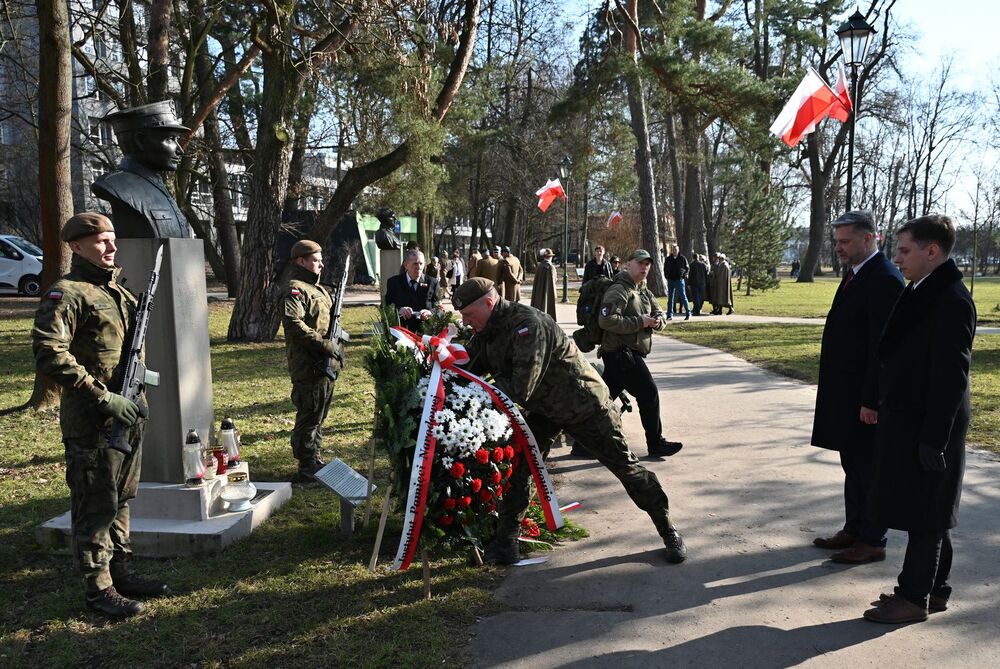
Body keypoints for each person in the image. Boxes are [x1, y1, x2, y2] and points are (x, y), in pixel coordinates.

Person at [452, 278, 687, 565]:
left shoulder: (528, 325)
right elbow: (469, 365)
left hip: (584, 406)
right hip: (545, 410)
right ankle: (506, 543)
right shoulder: (487, 329)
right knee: (520, 468)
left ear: (488, 303)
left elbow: (519, 387)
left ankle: (668, 529)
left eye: (468, 315)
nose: (466, 321)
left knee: (626, 469)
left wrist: (480, 390)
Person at [32, 212, 169, 619]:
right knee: (95, 506)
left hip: (127, 415)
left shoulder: (118, 293)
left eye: (112, 240)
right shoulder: (68, 293)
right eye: (100, 241)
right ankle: (98, 590)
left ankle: (120, 573)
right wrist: (101, 396)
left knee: (122, 500)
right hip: (92, 421)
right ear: (75, 246)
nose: (111, 247)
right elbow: (49, 352)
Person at [862, 215, 976, 624]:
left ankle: (913, 598)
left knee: (926, 514)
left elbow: (951, 377)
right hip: (912, 419)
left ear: (932, 251)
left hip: (931, 424)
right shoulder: (923, 290)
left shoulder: (950, 300)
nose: (897, 257)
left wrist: (934, 437)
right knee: (931, 509)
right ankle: (935, 589)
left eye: (905, 250)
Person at [811, 210, 904, 564]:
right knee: (853, 463)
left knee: (868, 468)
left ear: (870, 239)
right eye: (837, 241)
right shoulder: (856, 273)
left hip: (864, 398)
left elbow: (882, 349)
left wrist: (872, 400)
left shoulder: (883, 278)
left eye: (845, 241)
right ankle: (855, 527)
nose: (839, 248)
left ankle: (873, 539)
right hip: (846, 393)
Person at [599, 249, 684, 458]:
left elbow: (660, 313)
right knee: (648, 393)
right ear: (629, 264)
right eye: (640, 263)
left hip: (626, 354)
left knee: (601, 401)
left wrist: (657, 321)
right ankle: (656, 444)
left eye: (647, 264)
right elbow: (606, 320)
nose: (644, 267)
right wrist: (640, 322)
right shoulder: (619, 289)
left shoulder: (643, 289)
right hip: (620, 354)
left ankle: (582, 444)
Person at [281, 240, 344, 481]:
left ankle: (314, 457)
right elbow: (294, 324)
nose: (321, 264)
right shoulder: (294, 289)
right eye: (316, 260)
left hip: (325, 363)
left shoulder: (318, 289)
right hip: (308, 364)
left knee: (319, 413)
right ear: (301, 261)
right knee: (309, 414)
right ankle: (306, 466)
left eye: (321, 259)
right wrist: (324, 344)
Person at [91, 101, 192, 238]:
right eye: (170, 139)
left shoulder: (158, 186)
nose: (180, 150)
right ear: (140, 140)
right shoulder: (115, 185)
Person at [385, 249, 441, 332]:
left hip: (426, 332)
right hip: (401, 331)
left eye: (421, 263)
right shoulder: (394, 282)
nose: (419, 267)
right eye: (415, 263)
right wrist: (399, 310)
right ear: (406, 265)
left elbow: (438, 308)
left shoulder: (433, 282)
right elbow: (387, 305)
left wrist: (430, 313)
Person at [663, 244, 690, 320]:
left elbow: (687, 269)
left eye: (676, 250)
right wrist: (667, 276)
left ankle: (688, 313)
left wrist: (683, 276)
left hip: (679, 280)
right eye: (673, 250)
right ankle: (669, 315)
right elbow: (665, 268)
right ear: (672, 251)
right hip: (671, 280)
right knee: (670, 298)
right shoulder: (668, 259)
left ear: (678, 250)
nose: (674, 251)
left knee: (683, 296)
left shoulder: (682, 258)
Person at [530, 248, 557, 319]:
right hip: (548, 292)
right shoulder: (551, 267)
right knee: (547, 305)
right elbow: (553, 281)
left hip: (538, 290)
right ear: (550, 257)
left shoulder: (540, 266)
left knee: (539, 304)